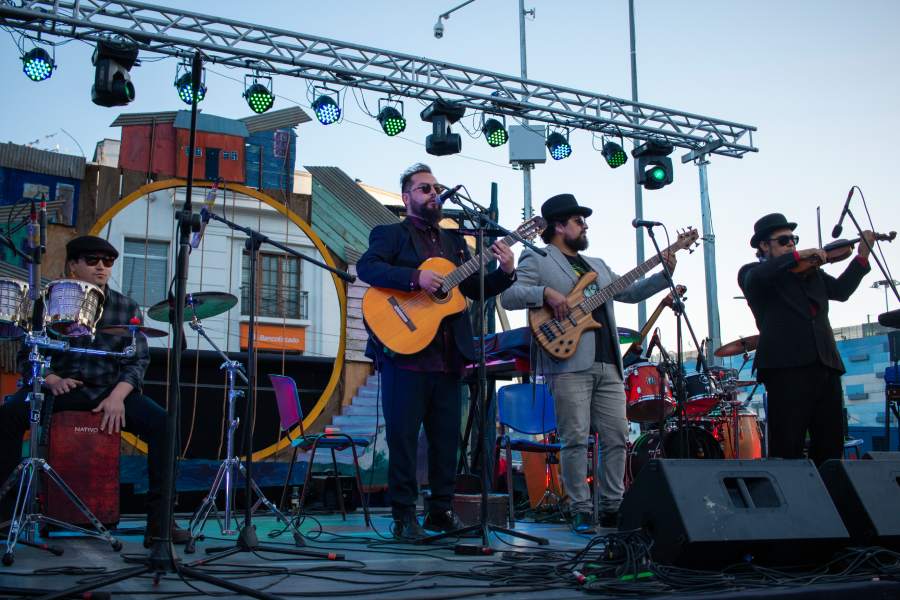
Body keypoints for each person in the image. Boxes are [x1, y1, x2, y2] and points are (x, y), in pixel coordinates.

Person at [356, 163, 516, 541]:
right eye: (424, 188)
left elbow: (473, 289)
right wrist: (416, 278)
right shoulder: (391, 233)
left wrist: (506, 271)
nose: (432, 193)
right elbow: (368, 267)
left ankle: (440, 512)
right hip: (405, 354)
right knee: (404, 440)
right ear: (406, 196)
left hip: (449, 359)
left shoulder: (455, 243)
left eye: (435, 187)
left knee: (446, 441)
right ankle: (403, 517)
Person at [500, 193, 674, 533]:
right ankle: (579, 507)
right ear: (559, 226)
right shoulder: (538, 257)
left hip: (609, 363)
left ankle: (612, 505)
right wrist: (545, 293)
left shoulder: (597, 264)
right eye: (579, 221)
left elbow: (630, 292)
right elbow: (510, 296)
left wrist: (663, 272)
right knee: (575, 436)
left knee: (616, 435)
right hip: (567, 360)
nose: (585, 226)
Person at [0, 235, 187, 547]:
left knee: (165, 424)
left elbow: (138, 359)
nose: (101, 267)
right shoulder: (46, 302)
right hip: (59, 389)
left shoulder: (126, 306)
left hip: (108, 391)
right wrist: (51, 378)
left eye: (108, 262)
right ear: (73, 265)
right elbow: (26, 354)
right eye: (92, 261)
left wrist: (118, 396)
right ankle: (5, 517)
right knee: (7, 416)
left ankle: (159, 523)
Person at [738, 213, 874, 465]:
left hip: (825, 363)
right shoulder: (753, 273)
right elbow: (759, 276)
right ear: (764, 246)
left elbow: (842, 291)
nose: (791, 243)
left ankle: (832, 496)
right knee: (788, 444)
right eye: (783, 240)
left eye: (794, 239)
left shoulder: (812, 275)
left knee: (830, 444)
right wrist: (801, 256)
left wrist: (862, 256)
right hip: (786, 367)